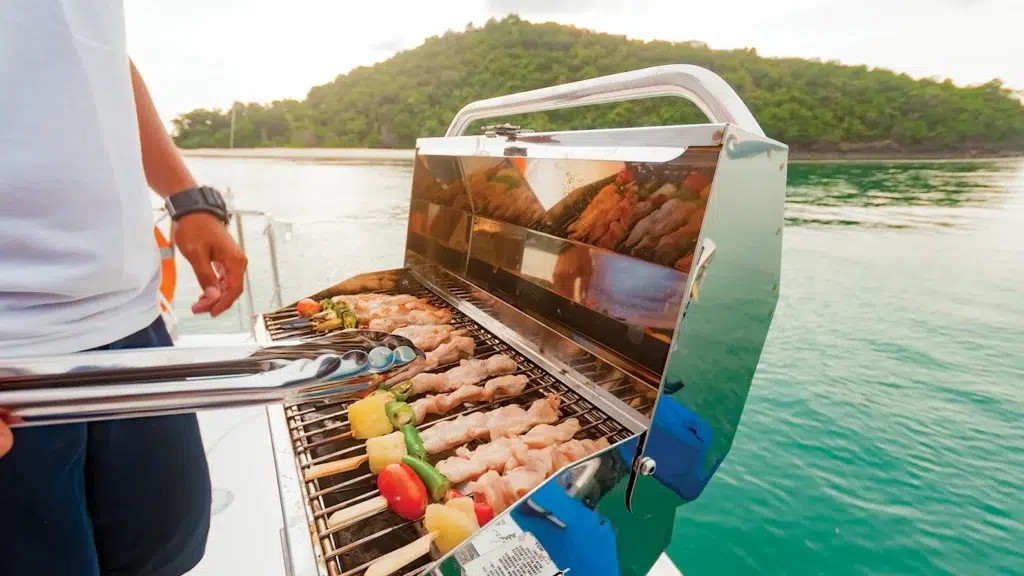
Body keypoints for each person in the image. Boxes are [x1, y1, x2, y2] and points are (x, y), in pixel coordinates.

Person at [0, 2, 247, 575]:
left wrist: (187, 198)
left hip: (133, 323)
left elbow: (95, 56)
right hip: (12, 358)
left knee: (164, 554)